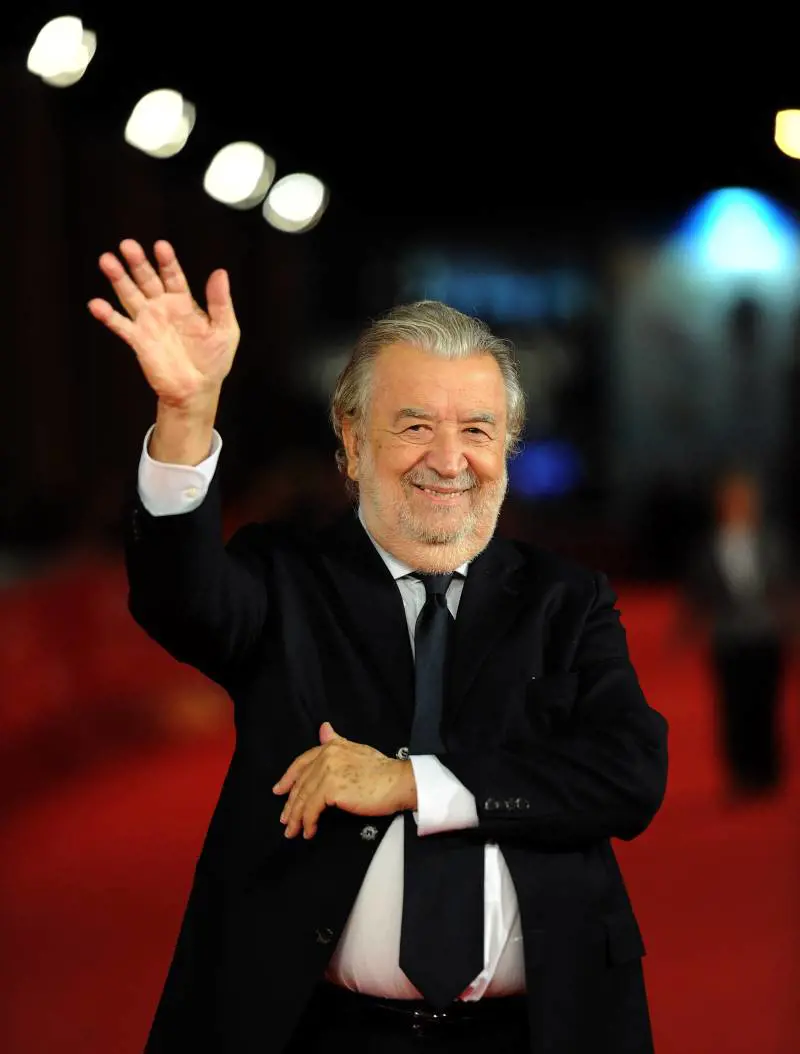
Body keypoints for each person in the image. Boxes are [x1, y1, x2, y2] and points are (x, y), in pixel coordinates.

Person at [88, 239, 669, 1054]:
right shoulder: (284, 578)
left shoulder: (567, 602)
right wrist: (186, 416)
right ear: (353, 442)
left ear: (507, 446)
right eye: (415, 426)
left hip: (541, 1031)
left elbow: (629, 775)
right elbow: (176, 598)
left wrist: (409, 783)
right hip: (317, 1031)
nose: (449, 460)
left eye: (477, 429)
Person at [682, 469, 796, 799]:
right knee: (733, 707)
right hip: (727, 638)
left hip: (766, 635)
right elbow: (699, 594)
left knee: (766, 704)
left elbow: (786, 587)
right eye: (731, 500)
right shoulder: (707, 547)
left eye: (744, 499)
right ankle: (740, 772)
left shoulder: (772, 542)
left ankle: (768, 771)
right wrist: (689, 629)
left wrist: (791, 627)